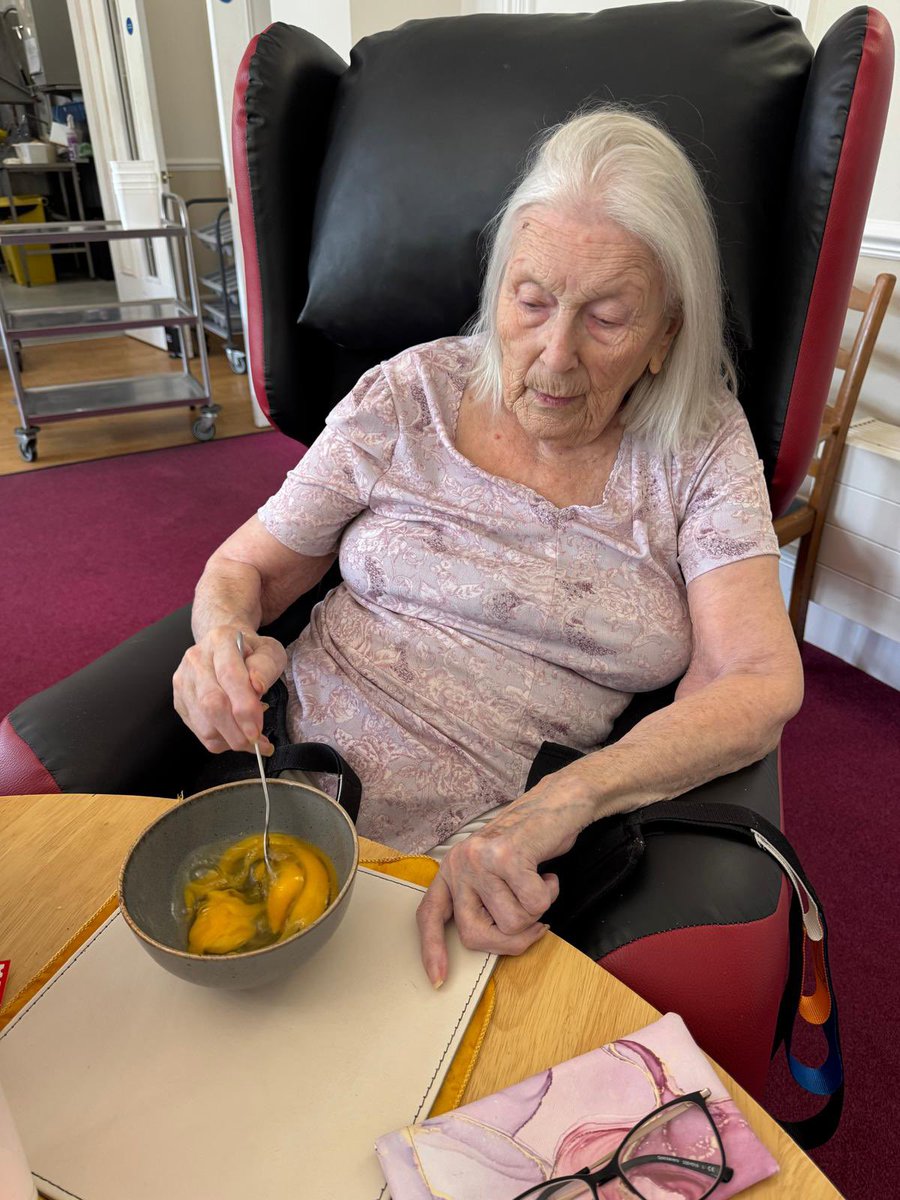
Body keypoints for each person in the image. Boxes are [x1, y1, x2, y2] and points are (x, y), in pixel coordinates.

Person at [173, 110, 803, 988]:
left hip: (480, 862)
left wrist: (565, 803)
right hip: (282, 791)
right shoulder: (410, 393)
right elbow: (246, 568)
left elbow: (757, 678)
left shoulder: (698, 444)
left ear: (667, 333)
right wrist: (220, 643)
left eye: (608, 318)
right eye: (531, 301)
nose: (554, 354)